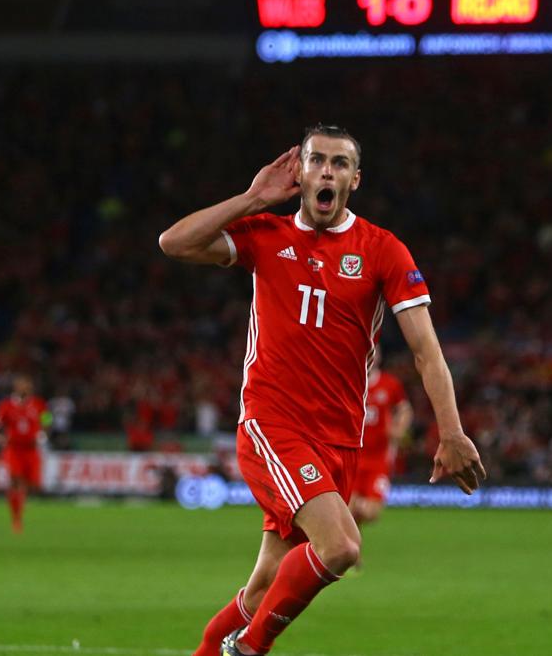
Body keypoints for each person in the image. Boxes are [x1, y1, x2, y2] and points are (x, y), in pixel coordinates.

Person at [159, 125, 486, 656]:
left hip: (338, 441)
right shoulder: (264, 234)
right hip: (273, 426)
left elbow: (427, 350)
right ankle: (248, 650)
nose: (327, 172)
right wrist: (252, 197)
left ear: (355, 179)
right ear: (301, 173)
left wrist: (451, 431)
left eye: (339, 163)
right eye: (317, 161)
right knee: (341, 547)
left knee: (262, 587)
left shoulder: (382, 250)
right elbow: (173, 242)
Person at [350, 359, 413, 529]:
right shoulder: (350, 380)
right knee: (348, 515)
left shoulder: (389, 384)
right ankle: (351, 554)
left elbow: (405, 409)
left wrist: (399, 428)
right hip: (352, 459)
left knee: (370, 513)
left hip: (379, 460)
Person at [0, 374, 51, 533]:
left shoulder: (39, 404)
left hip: (32, 449)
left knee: (33, 485)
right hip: (14, 449)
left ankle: (20, 504)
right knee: (15, 480)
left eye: (27, 385)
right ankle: (16, 519)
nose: (25, 388)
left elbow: (48, 421)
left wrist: (43, 435)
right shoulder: (6, 405)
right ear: (16, 387)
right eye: (22, 385)